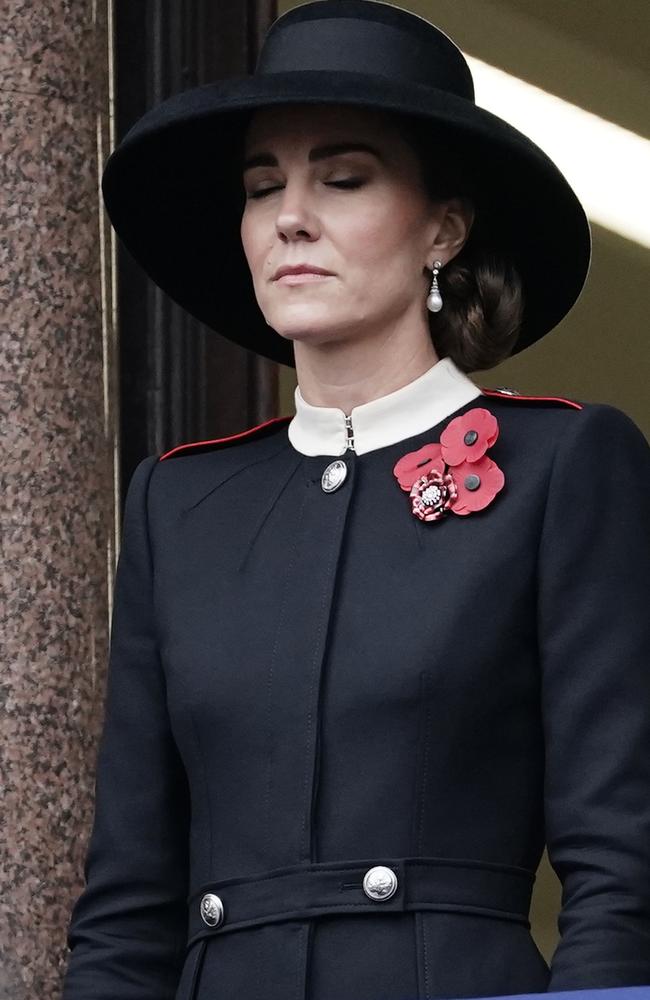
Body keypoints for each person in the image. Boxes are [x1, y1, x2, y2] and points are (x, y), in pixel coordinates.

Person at [61, 2, 650, 999]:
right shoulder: (179, 502)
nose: (291, 214)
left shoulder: (562, 463)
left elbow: (622, 866)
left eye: (342, 177)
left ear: (442, 228)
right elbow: (127, 902)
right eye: (261, 187)